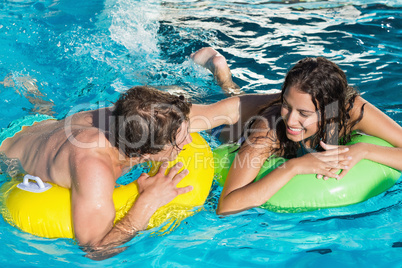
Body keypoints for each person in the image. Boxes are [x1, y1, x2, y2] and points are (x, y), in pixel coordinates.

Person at [0, 85, 248, 259]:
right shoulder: (93, 168)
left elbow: (227, 110)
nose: (187, 144)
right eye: (178, 142)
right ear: (146, 153)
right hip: (9, 157)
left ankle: (34, 97)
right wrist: (147, 202)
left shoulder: (143, 118)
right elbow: (96, 249)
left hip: (41, 126)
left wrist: (281, 100)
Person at [191, 47, 402, 215]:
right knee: (194, 113)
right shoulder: (268, 130)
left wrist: (364, 149)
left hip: (279, 108)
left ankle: (227, 81)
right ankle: (221, 74)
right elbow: (226, 207)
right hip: (230, 130)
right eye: (287, 105)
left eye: (303, 113)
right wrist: (294, 167)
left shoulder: (352, 109)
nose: (290, 120)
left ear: (330, 112)